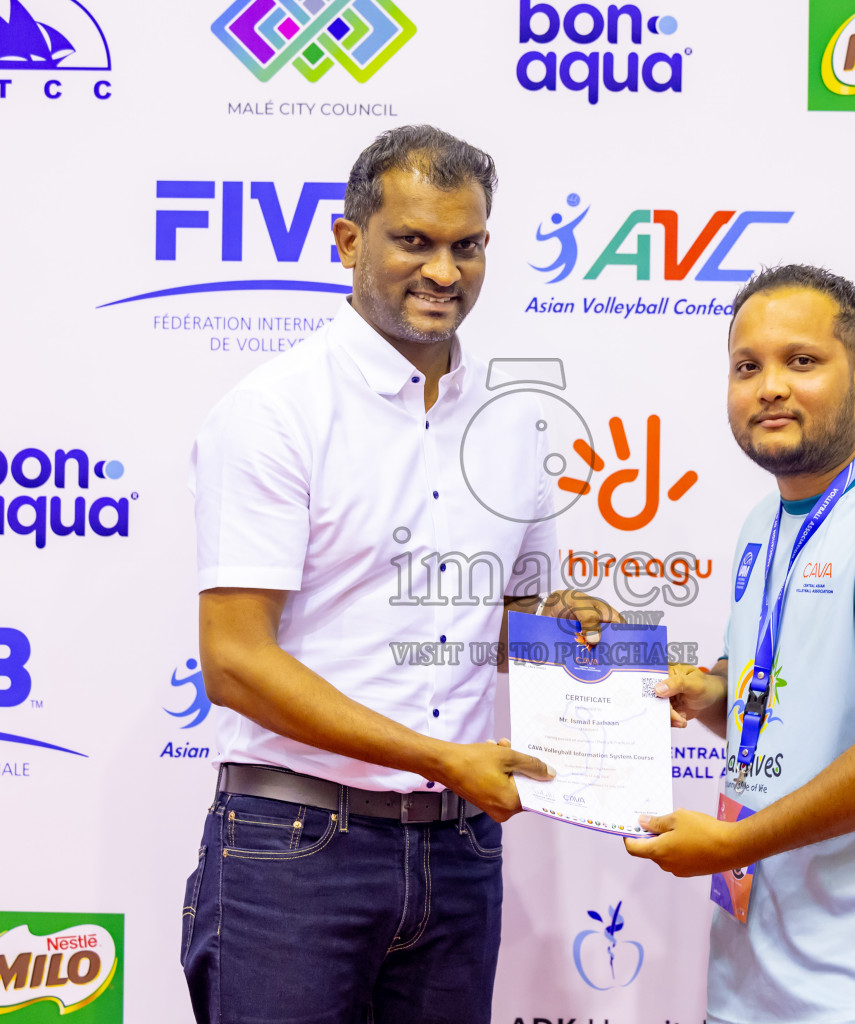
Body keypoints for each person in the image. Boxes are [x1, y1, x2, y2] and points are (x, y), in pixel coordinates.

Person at [181, 125, 618, 1024]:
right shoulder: (273, 414)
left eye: (467, 245)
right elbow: (233, 661)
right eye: (414, 241)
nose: (445, 273)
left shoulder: (517, 423)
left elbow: (500, 628)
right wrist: (441, 759)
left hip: (459, 855)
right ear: (350, 242)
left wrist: (561, 632)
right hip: (295, 850)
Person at [627, 265, 855, 1023]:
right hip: (757, 975)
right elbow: (800, 705)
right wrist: (714, 697)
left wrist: (735, 842)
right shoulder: (764, 522)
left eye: (802, 362)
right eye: (747, 366)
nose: (769, 387)